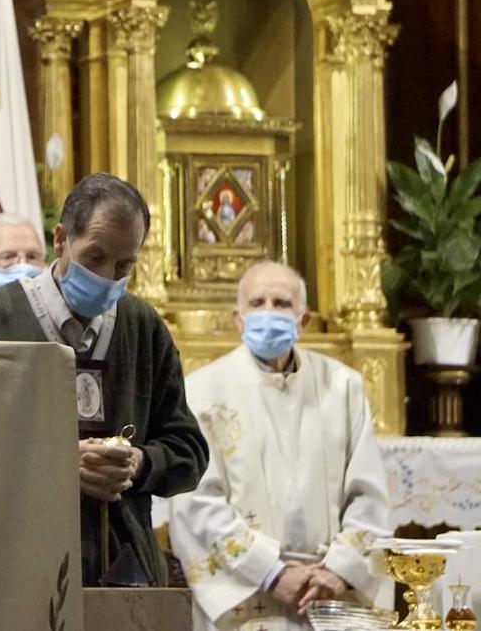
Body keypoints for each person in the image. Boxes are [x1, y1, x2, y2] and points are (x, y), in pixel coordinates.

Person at [0, 172, 207, 586]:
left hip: (123, 563)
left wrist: (140, 464)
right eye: (94, 258)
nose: (108, 277)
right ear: (60, 240)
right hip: (14, 563)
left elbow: (188, 451)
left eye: (125, 265)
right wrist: (57, 462)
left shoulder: (143, 327)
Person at [167, 261, 391, 631]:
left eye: (282, 303)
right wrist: (271, 572)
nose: (269, 311)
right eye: (257, 302)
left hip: (329, 593)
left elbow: (369, 495)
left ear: (303, 320)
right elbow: (196, 502)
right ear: (238, 319)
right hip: (247, 592)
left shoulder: (344, 388)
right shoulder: (202, 391)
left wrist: (339, 570)